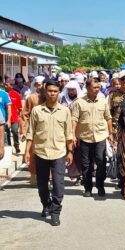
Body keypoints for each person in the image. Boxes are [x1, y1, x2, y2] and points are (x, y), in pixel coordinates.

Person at [24, 80, 73, 226]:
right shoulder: (37, 110)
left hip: (59, 152)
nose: (52, 94)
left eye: (55, 91)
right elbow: (30, 133)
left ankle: (55, 212)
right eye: (50, 91)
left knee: (58, 184)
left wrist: (70, 151)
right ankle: (47, 204)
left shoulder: (65, 111)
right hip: (41, 152)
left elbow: (68, 134)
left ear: (59, 93)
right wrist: (27, 152)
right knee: (42, 185)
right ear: (45, 92)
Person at [72, 78, 113, 197]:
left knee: (101, 161)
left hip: (100, 136)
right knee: (86, 164)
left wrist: (110, 133)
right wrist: (73, 135)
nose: (97, 89)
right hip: (85, 137)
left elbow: (108, 118)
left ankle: (100, 186)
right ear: (87, 88)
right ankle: (88, 187)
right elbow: (74, 119)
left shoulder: (103, 102)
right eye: (94, 87)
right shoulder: (79, 102)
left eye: (98, 87)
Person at [19, 76, 46, 185]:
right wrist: (23, 131)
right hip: (34, 131)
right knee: (33, 154)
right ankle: (34, 176)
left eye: (43, 84)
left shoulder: (51, 97)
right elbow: (24, 115)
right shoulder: (31, 98)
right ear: (35, 86)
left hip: (48, 131)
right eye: (39, 85)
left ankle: (47, 178)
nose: (41, 87)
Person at [60, 80, 83, 183]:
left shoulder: (81, 99)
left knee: (78, 153)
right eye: (69, 90)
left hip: (78, 130)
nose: (71, 92)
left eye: (73, 90)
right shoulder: (62, 99)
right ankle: (72, 173)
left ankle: (80, 174)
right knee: (67, 152)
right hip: (64, 129)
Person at [4, 80, 22, 153]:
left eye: (6, 85)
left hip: (14, 118)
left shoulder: (16, 95)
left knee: (15, 132)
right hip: (4, 118)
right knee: (6, 133)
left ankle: (16, 145)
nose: (4, 86)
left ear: (11, 86)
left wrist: (19, 118)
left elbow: (20, 108)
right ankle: (9, 147)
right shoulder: (3, 94)